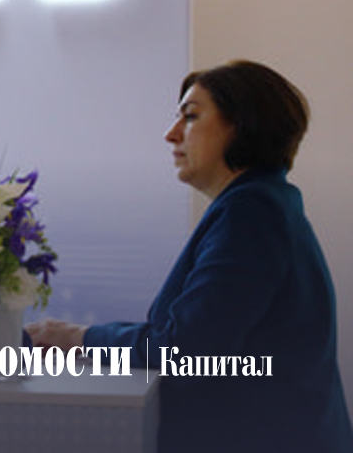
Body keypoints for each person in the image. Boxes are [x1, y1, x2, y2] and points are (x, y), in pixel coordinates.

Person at [27, 60, 353, 452]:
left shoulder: (250, 212)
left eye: (191, 116)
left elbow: (185, 348)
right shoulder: (265, 203)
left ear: (242, 125)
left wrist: (78, 338)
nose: (171, 134)